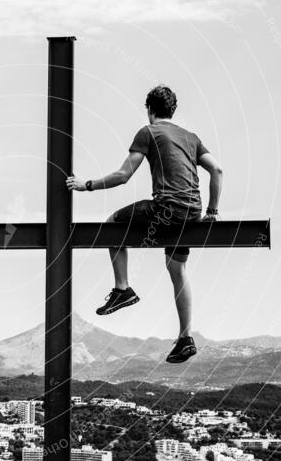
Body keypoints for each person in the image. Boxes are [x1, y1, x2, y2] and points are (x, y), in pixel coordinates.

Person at [66, 85, 223, 364]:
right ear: (172, 110)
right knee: (177, 268)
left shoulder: (148, 132)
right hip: (192, 213)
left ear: (149, 110)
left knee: (112, 224)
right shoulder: (191, 137)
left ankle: (123, 289)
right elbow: (217, 170)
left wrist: (86, 185)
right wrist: (212, 211)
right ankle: (185, 337)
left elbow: (124, 174)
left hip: (167, 208)